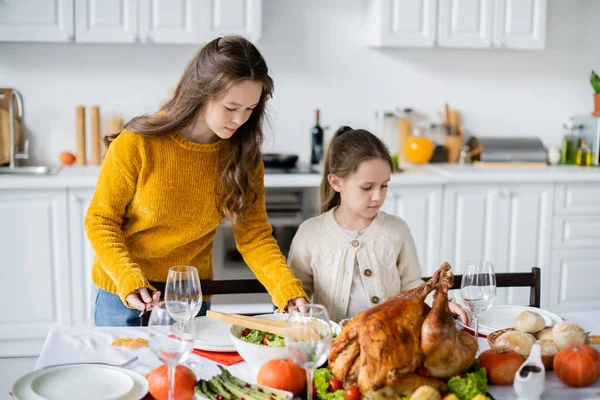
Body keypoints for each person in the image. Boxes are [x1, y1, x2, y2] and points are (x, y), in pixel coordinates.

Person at [85, 35, 308, 327]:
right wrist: (128, 278)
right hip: (123, 294)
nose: (240, 119)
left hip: (189, 296)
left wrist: (286, 290)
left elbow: (254, 236)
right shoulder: (138, 143)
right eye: (231, 107)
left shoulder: (242, 155)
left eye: (250, 109)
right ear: (201, 92)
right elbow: (101, 220)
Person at [288, 126, 471, 324]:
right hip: (332, 345)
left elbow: (412, 286)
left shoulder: (396, 230)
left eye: (384, 185)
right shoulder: (310, 233)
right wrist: (293, 309)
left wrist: (441, 303)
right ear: (336, 182)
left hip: (391, 340)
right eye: (367, 187)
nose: (377, 197)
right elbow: (297, 292)